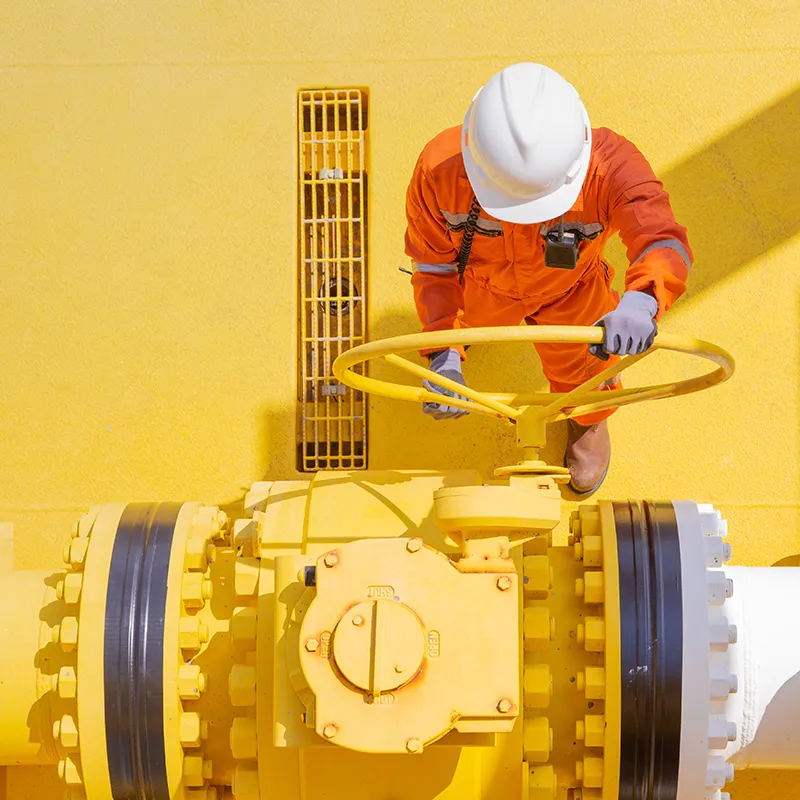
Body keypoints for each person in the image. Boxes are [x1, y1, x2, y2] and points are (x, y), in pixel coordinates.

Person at [403, 62, 691, 495]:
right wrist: (442, 349)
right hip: (481, 286)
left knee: (588, 367)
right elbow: (435, 266)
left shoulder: (613, 168)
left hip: (570, 289)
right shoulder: (437, 171)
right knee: (448, 342)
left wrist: (644, 299)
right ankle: (455, 356)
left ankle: (587, 418)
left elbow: (660, 238)